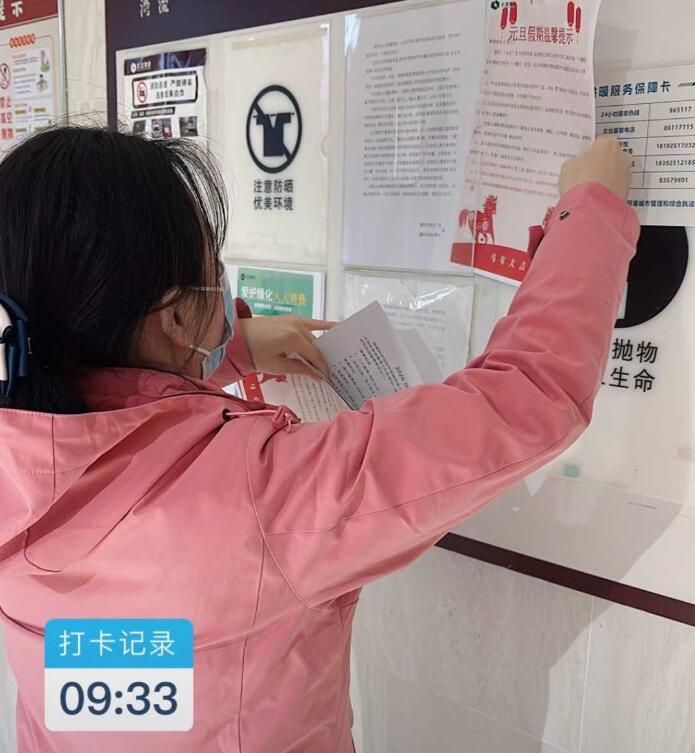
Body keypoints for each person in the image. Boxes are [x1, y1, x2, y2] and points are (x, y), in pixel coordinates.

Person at [0, 127, 636, 753]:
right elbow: (528, 396)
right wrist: (589, 211)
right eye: (211, 264)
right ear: (174, 316)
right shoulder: (262, 501)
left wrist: (230, 350)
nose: (221, 278)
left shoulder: (16, 466)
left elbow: (96, 414)